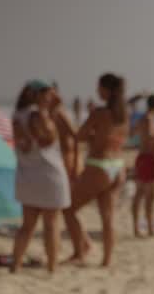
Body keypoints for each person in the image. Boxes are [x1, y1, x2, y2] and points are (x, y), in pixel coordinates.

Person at [64, 72, 129, 267]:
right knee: (107, 218)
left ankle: (81, 249)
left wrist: (64, 118)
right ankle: (106, 260)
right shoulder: (124, 114)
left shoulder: (100, 113)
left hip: (99, 165)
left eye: (99, 87)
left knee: (68, 209)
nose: (96, 90)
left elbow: (78, 135)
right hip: (118, 166)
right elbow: (113, 138)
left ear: (107, 90)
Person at [10, 80, 72, 274]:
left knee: (27, 226)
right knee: (51, 225)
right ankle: (52, 267)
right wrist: (54, 112)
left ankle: (15, 265)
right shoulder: (39, 115)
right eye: (49, 94)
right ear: (38, 95)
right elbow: (50, 140)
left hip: (27, 175)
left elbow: (25, 145)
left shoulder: (17, 115)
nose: (51, 98)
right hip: (49, 174)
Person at [132, 94, 154, 237]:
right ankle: (149, 228)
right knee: (148, 195)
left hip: (144, 158)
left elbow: (132, 133)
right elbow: (150, 138)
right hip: (147, 159)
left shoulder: (144, 119)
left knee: (140, 194)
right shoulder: (148, 119)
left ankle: (139, 228)